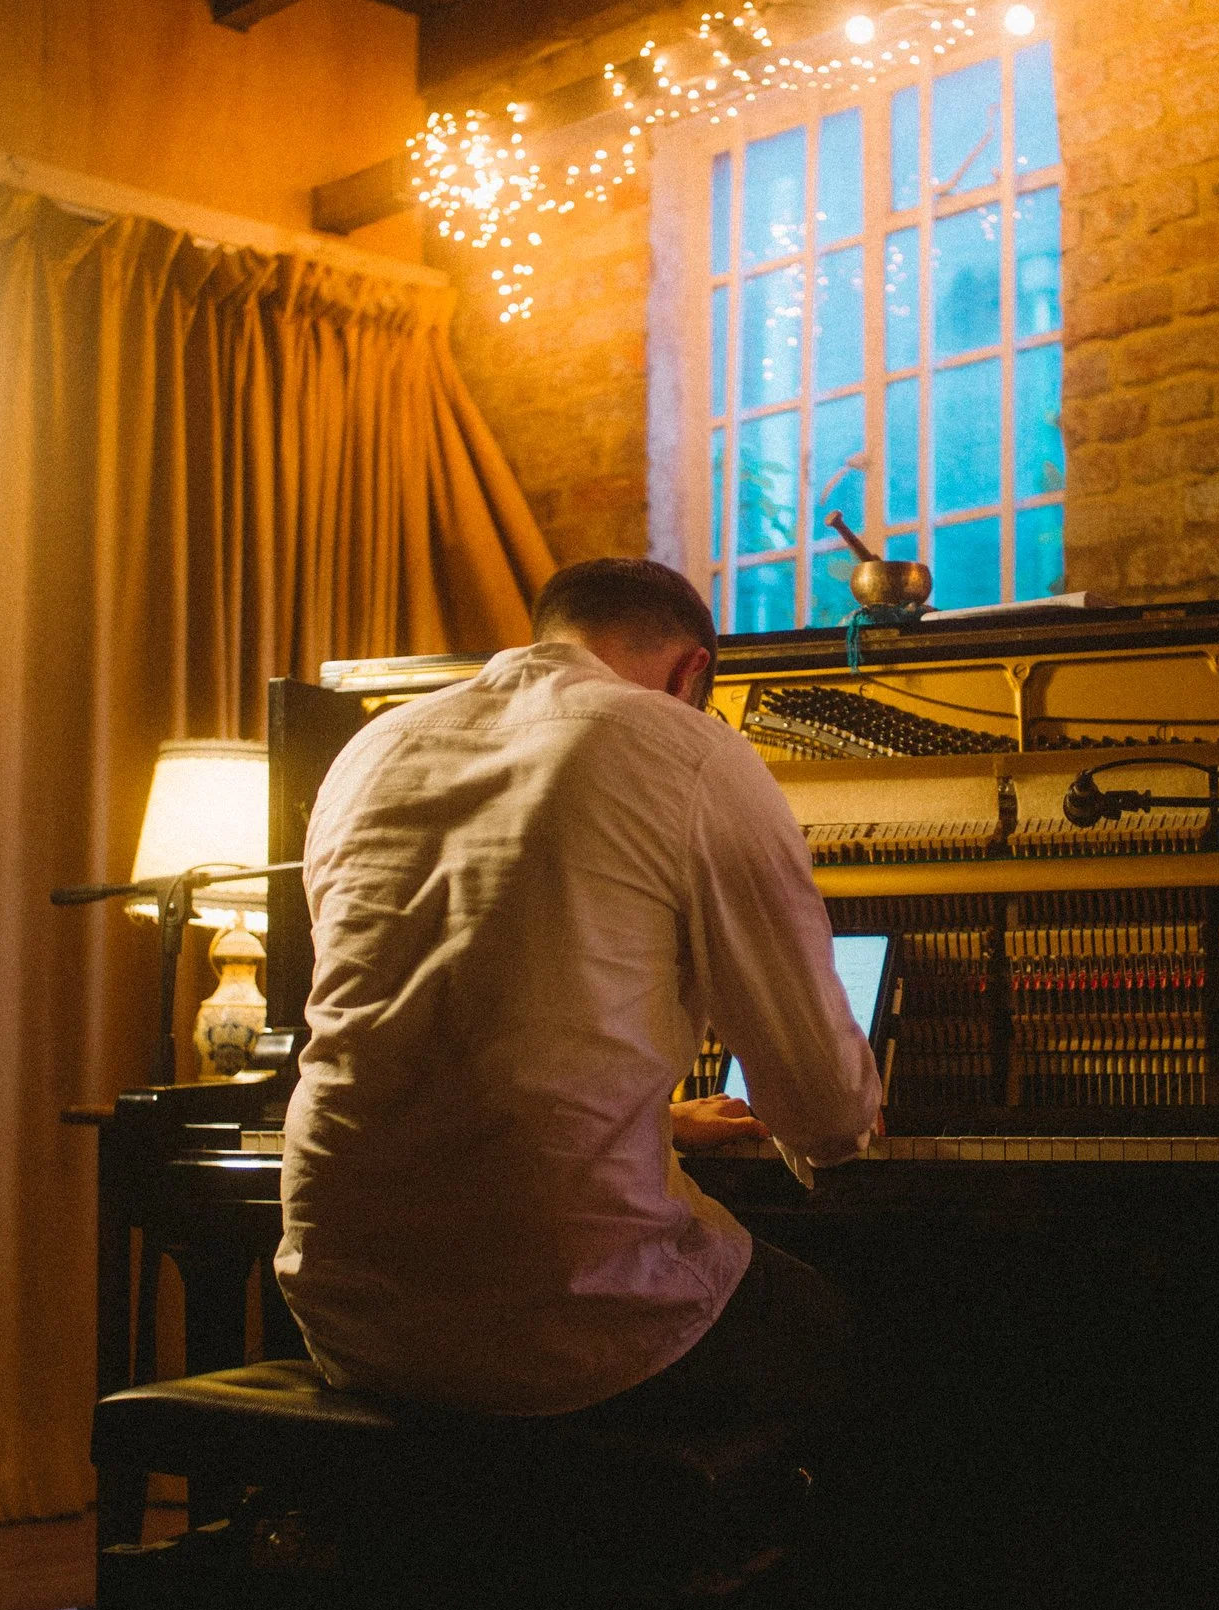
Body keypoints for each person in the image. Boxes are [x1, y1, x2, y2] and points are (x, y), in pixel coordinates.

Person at [274, 557, 882, 1426]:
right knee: (840, 1323)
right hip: (567, 1327)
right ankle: (711, 1558)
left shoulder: (371, 748)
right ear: (692, 672)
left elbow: (439, 1025)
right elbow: (825, 1111)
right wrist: (847, 1116)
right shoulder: (691, 746)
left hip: (347, 1316)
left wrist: (656, 1120)